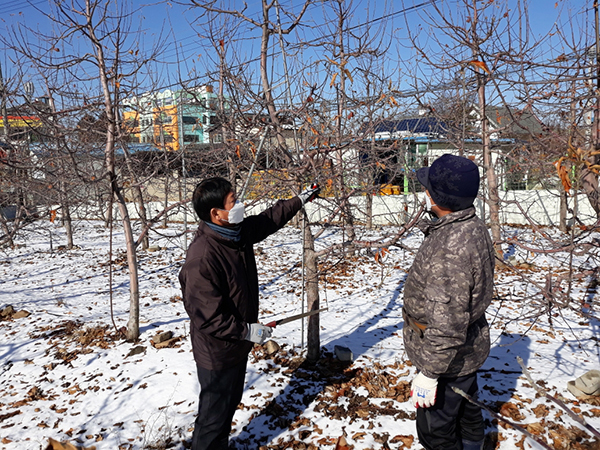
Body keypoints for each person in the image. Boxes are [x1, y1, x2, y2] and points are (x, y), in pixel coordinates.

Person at [179, 177, 320, 450]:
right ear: (215, 214)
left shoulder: (234, 232)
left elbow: (268, 220)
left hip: (236, 345)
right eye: (233, 202)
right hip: (217, 353)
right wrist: (247, 331)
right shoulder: (203, 257)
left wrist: (300, 199)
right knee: (213, 419)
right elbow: (207, 317)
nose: (240, 205)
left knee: (227, 409)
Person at [402, 154, 495, 450]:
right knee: (468, 412)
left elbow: (447, 321)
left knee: (436, 432)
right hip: (466, 350)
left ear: (436, 197)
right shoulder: (472, 224)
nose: (424, 192)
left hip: (447, 361)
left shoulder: (450, 249)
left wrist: (429, 374)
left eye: (428, 188)